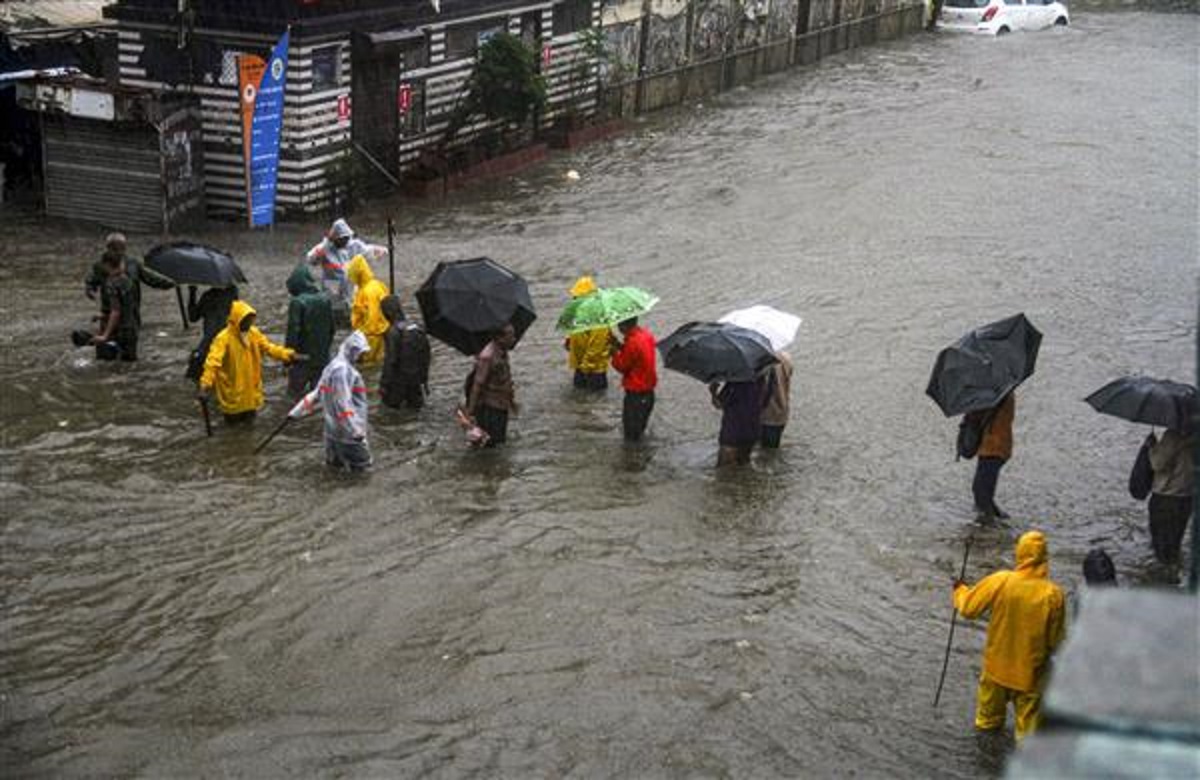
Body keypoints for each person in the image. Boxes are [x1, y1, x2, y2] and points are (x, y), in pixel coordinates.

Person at [952, 530, 1066, 743]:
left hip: (995, 671)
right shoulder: (1053, 594)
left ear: (1019, 553)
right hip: (1030, 679)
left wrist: (959, 590)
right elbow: (1055, 642)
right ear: (1044, 558)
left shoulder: (1002, 580)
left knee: (986, 726)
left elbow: (968, 608)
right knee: (1027, 739)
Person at [197, 300, 301, 425]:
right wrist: (205, 385)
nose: (249, 323)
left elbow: (268, 348)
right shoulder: (223, 338)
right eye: (246, 320)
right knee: (233, 429)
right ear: (237, 319)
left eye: (251, 320)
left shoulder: (253, 333)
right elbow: (212, 363)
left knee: (250, 427)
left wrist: (287, 355)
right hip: (233, 394)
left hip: (251, 393)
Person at [289, 331, 372, 471]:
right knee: (364, 471)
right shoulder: (344, 371)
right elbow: (343, 403)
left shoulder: (333, 366)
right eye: (361, 353)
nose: (362, 357)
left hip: (332, 433)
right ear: (353, 351)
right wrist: (355, 431)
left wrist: (295, 412)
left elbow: (316, 393)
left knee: (334, 470)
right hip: (348, 435)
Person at [305, 219, 388, 327]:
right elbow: (311, 259)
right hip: (332, 290)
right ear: (335, 238)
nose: (345, 241)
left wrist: (383, 250)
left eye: (347, 238)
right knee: (334, 318)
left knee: (353, 317)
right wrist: (326, 243)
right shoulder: (325, 248)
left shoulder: (353, 245)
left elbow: (368, 250)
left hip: (351, 288)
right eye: (342, 239)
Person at [85, 233, 176, 328]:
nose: (119, 252)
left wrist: (170, 282)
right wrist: (90, 289)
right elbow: (91, 279)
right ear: (108, 249)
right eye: (115, 249)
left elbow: (151, 277)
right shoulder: (100, 266)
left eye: (122, 248)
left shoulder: (133, 264)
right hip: (110, 309)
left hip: (131, 311)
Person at [284, 265, 335, 399]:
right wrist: (324, 350)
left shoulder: (297, 302)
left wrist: (287, 356)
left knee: (293, 396)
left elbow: (293, 333)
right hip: (322, 358)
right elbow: (332, 329)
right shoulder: (325, 299)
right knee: (318, 397)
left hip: (302, 359)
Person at [463, 324, 518, 447]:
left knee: (500, 442)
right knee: (491, 445)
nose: (514, 339)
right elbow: (477, 385)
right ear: (500, 338)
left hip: (501, 404)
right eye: (511, 336)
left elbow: (505, 380)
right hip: (490, 409)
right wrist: (470, 413)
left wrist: (511, 402)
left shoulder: (502, 352)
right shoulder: (487, 357)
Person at [1147, 427, 1195, 566]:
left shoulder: (1173, 435)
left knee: (1161, 546)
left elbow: (1157, 464)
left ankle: (1163, 579)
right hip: (1187, 497)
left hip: (1166, 497)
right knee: (1175, 542)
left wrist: (1152, 446)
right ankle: (1174, 574)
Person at [380, 295, 431, 410]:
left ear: (387, 313)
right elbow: (426, 354)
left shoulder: (392, 332)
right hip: (416, 381)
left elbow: (390, 361)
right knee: (416, 410)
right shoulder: (417, 327)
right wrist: (425, 379)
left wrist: (384, 384)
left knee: (390, 413)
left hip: (398, 383)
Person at [610, 317, 657, 442]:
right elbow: (637, 358)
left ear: (623, 326)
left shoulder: (632, 342)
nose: (618, 328)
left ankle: (632, 460)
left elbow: (622, 366)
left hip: (635, 397)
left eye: (619, 325)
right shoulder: (646, 335)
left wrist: (614, 353)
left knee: (630, 438)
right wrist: (619, 346)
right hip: (649, 394)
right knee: (639, 432)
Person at [973, 392, 1015, 522]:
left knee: (981, 486)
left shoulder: (995, 395)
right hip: (995, 445)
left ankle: (987, 515)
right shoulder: (1004, 392)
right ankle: (990, 510)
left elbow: (981, 417)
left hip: (992, 446)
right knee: (984, 484)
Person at [563, 276, 610, 391]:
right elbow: (577, 335)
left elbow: (596, 348)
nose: (573, 299)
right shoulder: (579, 315)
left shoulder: (599, 318)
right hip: (580, 368)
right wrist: (570, 341)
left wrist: (586, 367)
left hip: (594, 371)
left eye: (576, 297)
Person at [91, 251, 138, 361]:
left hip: (120, 332)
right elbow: (126, 306)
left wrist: (105, 336)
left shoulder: (112, 283)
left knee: (112, 365)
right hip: (132, 329)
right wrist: (103, 316)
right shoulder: (127, 279)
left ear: (106, 265)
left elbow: (116, 311)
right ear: (121, 263)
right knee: (129, 365)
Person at [185, 284, 238, 381]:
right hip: (222, 343)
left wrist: (192, 293)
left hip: (208, 345)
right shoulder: (232, 294)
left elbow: (193, 317)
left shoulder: (207, 296)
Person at [347, 254, 390, 366]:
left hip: (370, 338)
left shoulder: (365, 292)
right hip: (383, 334)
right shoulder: (378, 284)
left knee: (367, 369)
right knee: (379, 365)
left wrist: (362, 337)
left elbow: (371, 317)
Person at [760, 351, 793, 449]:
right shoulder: (786, 357)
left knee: (766, 452)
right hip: (782, 411)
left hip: (768, 414)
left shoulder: (766, 362)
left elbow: (765, 391)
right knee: (772, 449)